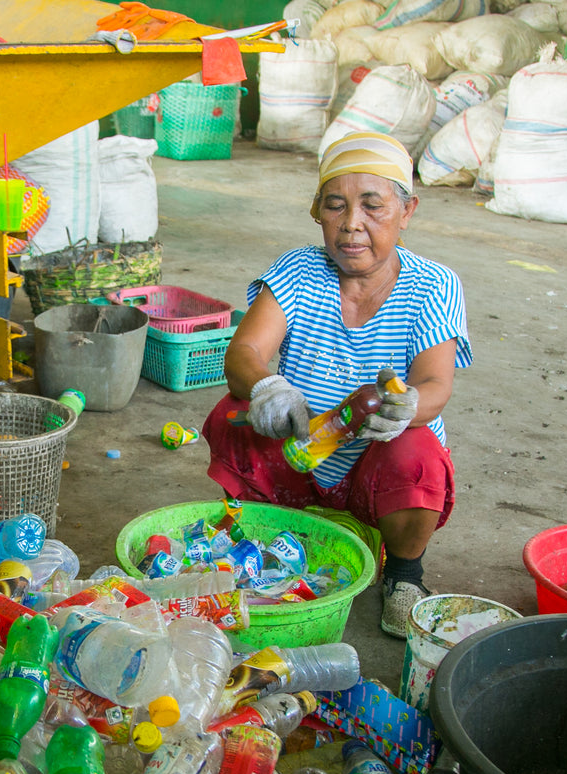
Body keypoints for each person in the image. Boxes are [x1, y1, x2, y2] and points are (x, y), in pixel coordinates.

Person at [201, 132, 472, 638]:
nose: (352, 224)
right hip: (301, 453)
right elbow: (244, 354)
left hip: (376, 466)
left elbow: (436, 382)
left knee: (417, 446)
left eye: (373, 206)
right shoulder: (298, 270)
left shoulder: (434, 284)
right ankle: (265, 541)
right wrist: (268, 388)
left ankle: (404, 576)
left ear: (407, 211)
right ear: (316, 211)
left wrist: (410, 405)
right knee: (232, 414)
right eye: (335, 206)